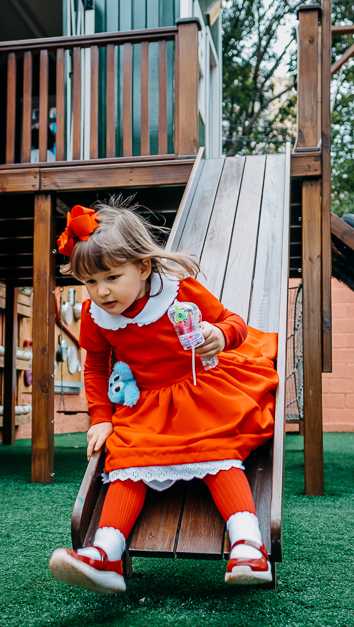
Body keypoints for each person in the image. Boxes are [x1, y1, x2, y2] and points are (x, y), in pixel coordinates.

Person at [47, 200, 279, 595]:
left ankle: (248, 544)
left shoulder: (176, 292)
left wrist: (219, 336)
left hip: (200, 386)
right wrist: (101, 417)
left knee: (216, 448)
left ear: (142, 266)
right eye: (89, 282)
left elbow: (232, 321)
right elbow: (95, 367)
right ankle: (106, 553)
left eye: (111, 277)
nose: (101, 292)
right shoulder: (94, 315)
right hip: (149, 401)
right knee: (126, 458)